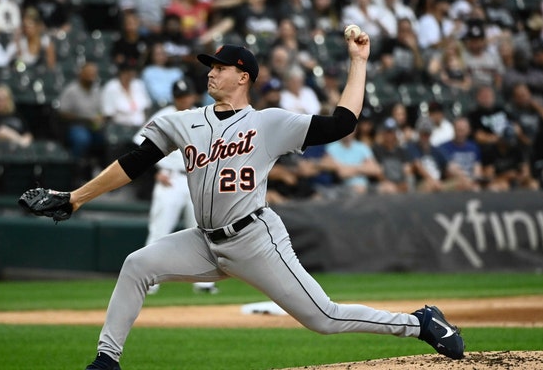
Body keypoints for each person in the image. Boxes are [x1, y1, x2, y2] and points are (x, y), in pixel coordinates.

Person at [43, 34, 464, 369]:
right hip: (204, 241)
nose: (211, 73)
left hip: (255, 240)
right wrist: (75, 199)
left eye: (220, 67)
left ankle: (419, 323)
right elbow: (133, 163)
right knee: (137, 265)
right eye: (211, 66)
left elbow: (343, 123)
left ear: (243, 76)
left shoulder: (269, 123)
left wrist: (358, 61)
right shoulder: (183, 122)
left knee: (324, 318)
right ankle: (106, 360)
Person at [133, 78, 218, 295]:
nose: (183, 99)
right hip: (170, 180)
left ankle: (204, 283)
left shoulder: (201, 116)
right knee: (159, 231)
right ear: (174, 97)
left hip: (195, 181)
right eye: (179, 96)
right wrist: (154, 171)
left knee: (202, 231)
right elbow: (138, 146)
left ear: (192, 95)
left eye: (186, 95)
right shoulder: (162, 116)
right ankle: (148, 281)